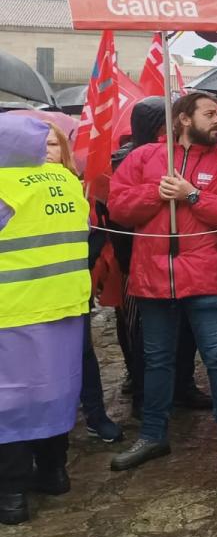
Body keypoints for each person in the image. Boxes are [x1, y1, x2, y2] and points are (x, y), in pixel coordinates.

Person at [107, 93, 217, 472]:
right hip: (153, 278)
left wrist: (193, 196)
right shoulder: (143, 158)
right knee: (156, 360)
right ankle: (153, 435)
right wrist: (154, 193)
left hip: (206, 278)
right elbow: (119, 206)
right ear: (184, 119)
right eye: (210, 113)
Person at [0, 115, 92, 526]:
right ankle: (55, 471)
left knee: (11, 401)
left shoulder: (7, 187)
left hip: (15, 310)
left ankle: (12, 493)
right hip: (65, 306)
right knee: (53, 392)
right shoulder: (69, 183)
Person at [41, 122, 124, 445]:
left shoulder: (78, 189)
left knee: (82, 357)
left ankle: (95, 415)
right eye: (39, 146)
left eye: (51, 145)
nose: (45, 153)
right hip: (24, 298)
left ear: (64, 150)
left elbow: (94, 237)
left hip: (70, 293)